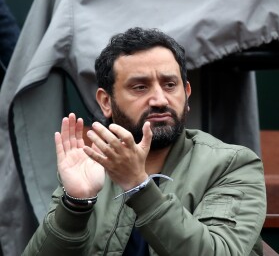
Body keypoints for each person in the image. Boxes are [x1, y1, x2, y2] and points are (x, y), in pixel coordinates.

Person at [22, 27, 266, 256]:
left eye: (170, 85)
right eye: (140, 87)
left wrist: (138, 186)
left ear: (187, 93)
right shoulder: (91, 167)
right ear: (106, 102)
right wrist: (75, 205)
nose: (160, 99)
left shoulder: (231, 165)